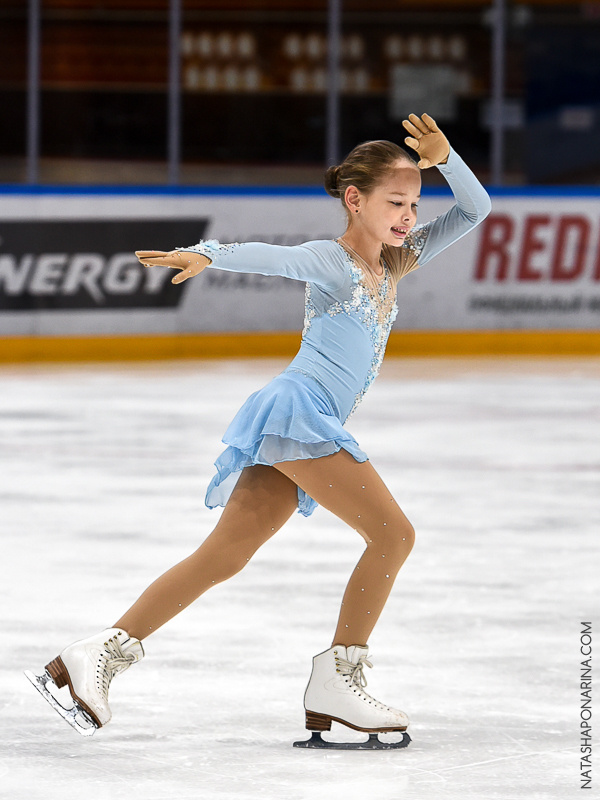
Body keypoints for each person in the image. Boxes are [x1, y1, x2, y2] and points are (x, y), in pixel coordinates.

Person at [26, 114, 491, 748]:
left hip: (304, 420)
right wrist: (209, 254)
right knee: (393, 535)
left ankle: (93, 655)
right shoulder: (334, 260)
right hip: (301, 412)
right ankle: (338, 676)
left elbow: (474, 208)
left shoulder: (398, 262)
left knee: (224, 556)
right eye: (395, 201)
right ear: (355, 200)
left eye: (414, 202)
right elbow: (275, 257)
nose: (409, 215)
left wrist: (446, 160)